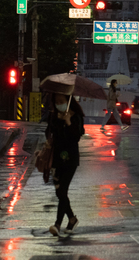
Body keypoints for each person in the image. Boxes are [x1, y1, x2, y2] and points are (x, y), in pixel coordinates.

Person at [47, 92, 85, 237]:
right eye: (56, 101)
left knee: (63, 190)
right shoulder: (53, 116)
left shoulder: (76, 116)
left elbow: (77, 136)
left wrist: (68, 121)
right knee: (59, 192)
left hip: (71, 159)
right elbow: (49, 133)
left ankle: (57, 224)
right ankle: (72, 219)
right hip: (56, 158)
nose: (59, 104)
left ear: (68, 101)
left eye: (61, 101)